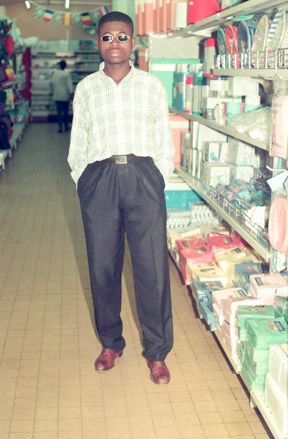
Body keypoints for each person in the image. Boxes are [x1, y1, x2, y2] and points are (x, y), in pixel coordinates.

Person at [68, 11, 174, 384]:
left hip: (143, 176)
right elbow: (78, 139)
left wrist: (158, 176)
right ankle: (111, 343)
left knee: (152, 270)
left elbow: (162, 135)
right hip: (100, 180)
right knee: (102, 267)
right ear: (98, 42)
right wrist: (83, 178)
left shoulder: (150, 86)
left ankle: (157, 353)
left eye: (122, 37)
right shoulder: (87, 89)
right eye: (107, 37)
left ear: (134, 42)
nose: (115, 44)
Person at [51, 59, 73, 132]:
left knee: (59, 112)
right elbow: (69, 85)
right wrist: (71, 93)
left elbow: (51, 82)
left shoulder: (55, 73)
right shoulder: (67, 74)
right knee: (66, 111)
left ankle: (60, 127)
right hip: (65, 95)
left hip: (57, 95)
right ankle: (66, 126)